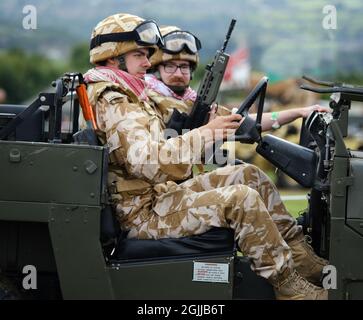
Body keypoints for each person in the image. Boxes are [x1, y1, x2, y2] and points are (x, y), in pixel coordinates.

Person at [84, 12, 327, 299]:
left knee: (248, 175)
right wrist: (206, 133)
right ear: (114, 56)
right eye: (140, 55)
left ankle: (303, 260)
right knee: (241, 199)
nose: (148, 63)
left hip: (158, 197)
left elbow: (239, 123)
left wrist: (210, 129)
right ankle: (290, 287)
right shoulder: (115, 99)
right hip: (142, 214)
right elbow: (147, 164)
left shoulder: (131, 95)